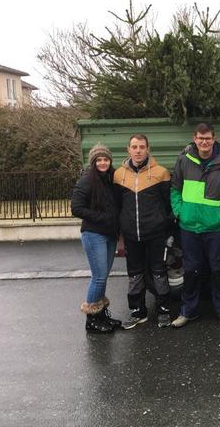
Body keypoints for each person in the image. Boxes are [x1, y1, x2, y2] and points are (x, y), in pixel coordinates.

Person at [170, 123, 220, 328]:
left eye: (208, 138)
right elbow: (175, 190)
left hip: (216, 228)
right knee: (191, 270)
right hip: (189, 227)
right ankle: (187, 311)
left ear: (214, 138)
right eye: (200, 138)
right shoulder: (184, 160)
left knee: (218, 269)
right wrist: (180, 213)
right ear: (194, 138)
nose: (204, 142)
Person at [114, 134, 173, 329]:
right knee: (135, 274)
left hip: (156, 232)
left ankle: (164, 310)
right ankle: (138, 312)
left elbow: (168, 205)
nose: (138, 150)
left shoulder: (161, 173)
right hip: (131, 234)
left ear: (148, 149)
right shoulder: (118, 175)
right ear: (128, 149)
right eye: (134, 147)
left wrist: (167, 228)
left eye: (141, 147)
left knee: (159, 272)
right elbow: (117, 205)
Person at [71, 143, 121, 333]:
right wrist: (102, 218)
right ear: (93, 162)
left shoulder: (111, 179)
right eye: (98, 160)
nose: (102, 162)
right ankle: (91, 320)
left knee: (103, 276)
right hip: (93, 234)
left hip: (109, 234)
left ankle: (101, 315)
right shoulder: (87, 180)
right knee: (99, 277)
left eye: (105, 159)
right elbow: (76, 208)